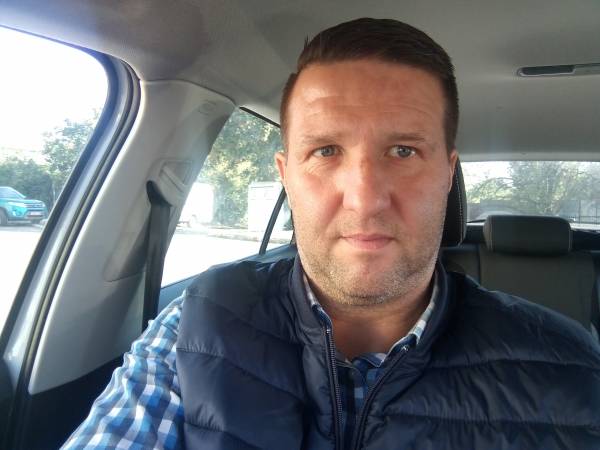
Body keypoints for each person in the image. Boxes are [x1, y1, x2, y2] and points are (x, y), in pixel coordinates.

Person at [63, 18, 600, 449]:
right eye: (325, 151)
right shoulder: (196, 327)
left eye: (404, 151)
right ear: (286, 175)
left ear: (447, 174)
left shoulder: (574, 368)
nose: (364, 198)